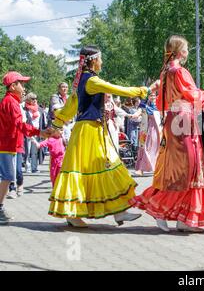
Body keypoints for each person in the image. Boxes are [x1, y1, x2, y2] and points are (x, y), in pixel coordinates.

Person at [129, 35, 204, 233]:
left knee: (186, 171)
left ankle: (184, 219)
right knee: (187, 170)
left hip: (174, 120)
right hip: (183, 122)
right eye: (185, 48)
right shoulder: (179, 72)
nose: (187, 51)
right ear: (177, 50)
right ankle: (160, 209)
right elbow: (195, 97)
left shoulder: (166, 72)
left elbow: (161, 103)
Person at [48, 45, 151, 228]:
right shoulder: (91, 81)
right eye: (100, 59)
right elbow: (117, 89)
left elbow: (71, 106)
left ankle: (120, 211)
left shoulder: (83, 81)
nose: (102, 62)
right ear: (94, 60)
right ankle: (73, 213)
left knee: (109, 166)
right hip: (88, 132)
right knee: (93, 169)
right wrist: (141, 90)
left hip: (92, 130)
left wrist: (57, 123)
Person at [0, 71, 51, 225]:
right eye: (21, 84)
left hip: (9, 145)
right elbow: (19, 125)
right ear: (13, 86)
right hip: (6, 145)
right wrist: (39, 132)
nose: (24, 87)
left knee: (8, 177)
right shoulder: (11, 102)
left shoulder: (11, 101)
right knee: (7, 177)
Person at [134, 92, 161, 176]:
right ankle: (140, 168)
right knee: (142, 147)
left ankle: (145, 168)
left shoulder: (158, 105)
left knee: (150, 147)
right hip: (145, 129)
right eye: (150, 95)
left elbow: (155, 113)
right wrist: (134, 115)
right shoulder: (145, 105)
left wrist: (145, 107)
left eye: (153, 95)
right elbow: (139, 110)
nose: (152, 97)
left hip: (155, 128)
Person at [23, 92, 47, 173]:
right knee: (27, 150)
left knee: (35, 151)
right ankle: (27, 166)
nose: (35, 100)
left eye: (36, 98)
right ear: (28, 100)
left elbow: (43, 122)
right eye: (32, 98)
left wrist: (43, 132)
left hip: (37, 132)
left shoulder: (40, 109)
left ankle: (34, 167)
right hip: (27, 132)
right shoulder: (25, 109)